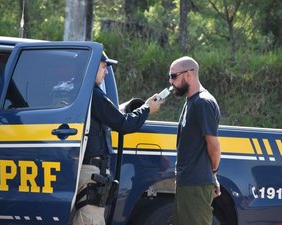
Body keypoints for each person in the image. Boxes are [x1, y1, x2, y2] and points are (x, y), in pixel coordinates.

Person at [73, 52, 163, 225]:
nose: (106, 72)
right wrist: (146, 109)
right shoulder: (94, 94)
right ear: (91, 67)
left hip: (80, 169)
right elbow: (123, 124)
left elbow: (112, 116)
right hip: (91, 171)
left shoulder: (75, 92)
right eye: (104, 66)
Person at [169, 56, 221, 225]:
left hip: (196, 185)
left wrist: (212, 173)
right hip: (189, 183)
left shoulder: (203, 103)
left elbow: (213, 145)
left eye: (174, 76)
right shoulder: (191, 101)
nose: (170, 81)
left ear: (188, 75)